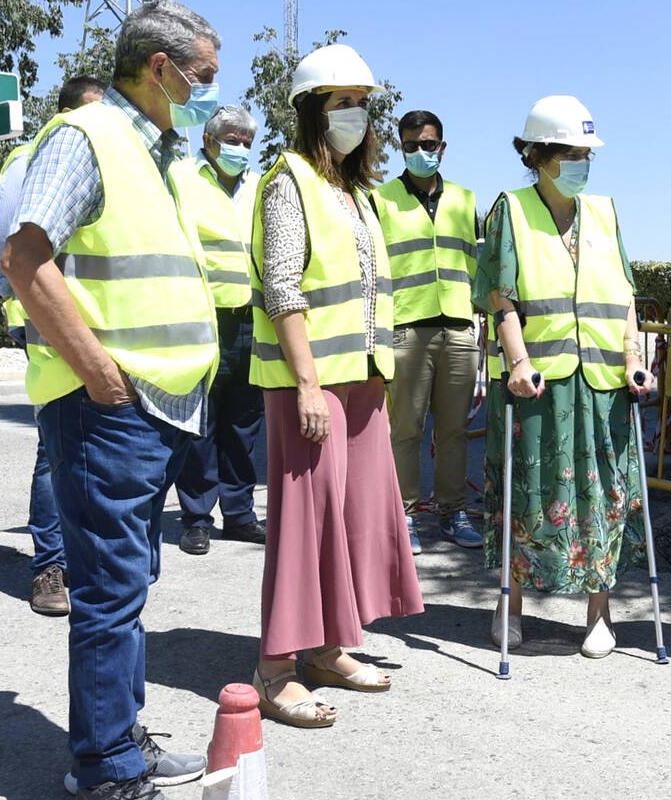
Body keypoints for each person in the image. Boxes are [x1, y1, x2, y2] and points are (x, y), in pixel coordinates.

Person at [0, 3, 221, 796]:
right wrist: (99, 373)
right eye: (204, 77)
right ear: (159, 69)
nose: (209, 95)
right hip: (108, 409)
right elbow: (25, 260)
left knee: (124, 588)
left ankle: (120, 740)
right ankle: (106, 769)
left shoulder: (151, 151)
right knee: (107, 594)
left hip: (152, 406)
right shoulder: (87, 137)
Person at [247, 43, 424, 728]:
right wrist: (308, 386)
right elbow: (282, 289)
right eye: (340, 103)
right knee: (302, 526)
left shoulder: (356, 194)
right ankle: (273, 669)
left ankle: (324, 648)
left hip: (362, 384)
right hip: (313, 386)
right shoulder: (287, 179)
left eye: (360, 103)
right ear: (310, 111)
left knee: (348, 523)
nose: (354, 114)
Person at [476, 95, 654, 659]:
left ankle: (600, 615)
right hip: (540, 383)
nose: (582, 163)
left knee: (603, 494)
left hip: (603, 383)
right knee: (530, 495)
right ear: (542, 156)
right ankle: (511, 604)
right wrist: (518, 361)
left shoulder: (605, 212)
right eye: (573, 154)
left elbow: (625, 296)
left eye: (587, 154)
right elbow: (499, 297)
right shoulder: (511, 208)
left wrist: (634, 358)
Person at [0, 74, 105, 618]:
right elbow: (2, 250)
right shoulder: (39, 155)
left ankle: (83, 558)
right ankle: (50, 566)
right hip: (49, 321)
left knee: (84, 443)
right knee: (53, 447)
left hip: (98, 325)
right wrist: (27, 305)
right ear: (65, 113)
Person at [370, 109, 482, 554]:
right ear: (402, 148)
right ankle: (406, 514)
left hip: (457, 326)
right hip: (406, 328)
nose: (421, 152)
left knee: (454, 430)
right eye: (412, 145)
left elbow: (481, 265)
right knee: (405, 429)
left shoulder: (466, 200)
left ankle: (453, 512)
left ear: (443, 147)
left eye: (429, 144)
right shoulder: (381, 200)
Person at [171, 104, 268, 556]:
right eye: (232, 139)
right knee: (200, 424)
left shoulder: (260, 186)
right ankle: (196, 517)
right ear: (209, 140)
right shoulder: (182, 179)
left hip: (252, 319)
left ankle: (240, 513)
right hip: (203, 320)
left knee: (245, 424)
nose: (240, 148)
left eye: (247, 141)